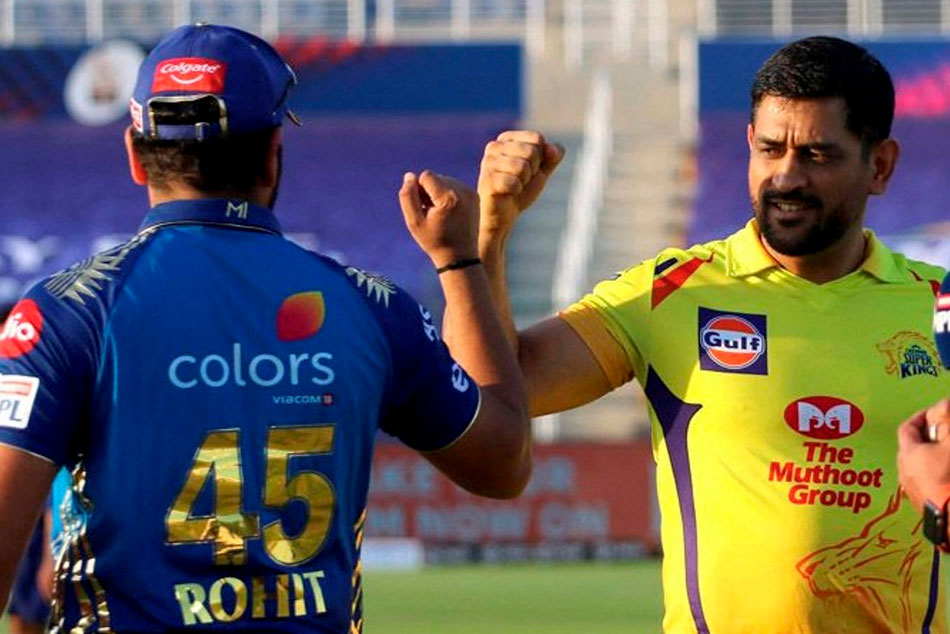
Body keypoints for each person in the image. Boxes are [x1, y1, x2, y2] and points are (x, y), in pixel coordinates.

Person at [0, 23, 530, 633]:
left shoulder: (65, 313)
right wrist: (462, 261)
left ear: (134, 156)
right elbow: (503, 462)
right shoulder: (371, 306)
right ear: (275, 151)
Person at [452, 35, 950, 632]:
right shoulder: (672, 292)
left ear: (880, 165)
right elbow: (498, 389)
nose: (786, 176)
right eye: (770, 149)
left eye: (818, 155)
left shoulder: (939, 306)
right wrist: (488, 239)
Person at [1, 301, 54, 634]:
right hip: (16, 496)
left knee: (38, 603)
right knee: (22, 612)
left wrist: (52, 538)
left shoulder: (37, 373)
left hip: (38, 501)